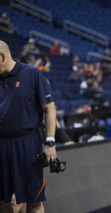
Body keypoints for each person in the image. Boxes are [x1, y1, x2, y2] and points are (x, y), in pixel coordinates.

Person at [0, 40, 57, 212]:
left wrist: (50, 143)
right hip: (2, 144)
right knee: (5, 200)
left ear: (2, 56)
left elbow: (49, 108)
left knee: (34, 199)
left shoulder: (31, 73)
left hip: (28, 144)